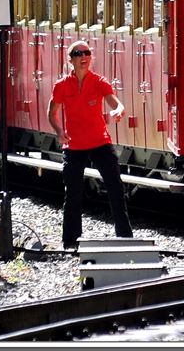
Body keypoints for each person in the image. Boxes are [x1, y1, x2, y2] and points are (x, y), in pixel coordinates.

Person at [47, 40, 133, 250]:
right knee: (73, 194)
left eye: (87, 53)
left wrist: (119, 110)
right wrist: (59, 131)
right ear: (71, 60)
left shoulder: (99, 81)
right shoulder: (62, 85)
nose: (83, 57)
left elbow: (115, 102)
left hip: (100, 142)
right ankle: (70, 242)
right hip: (74, 146)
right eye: (78, 54)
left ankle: (125, 237)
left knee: (115, 188)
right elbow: (52, 112)